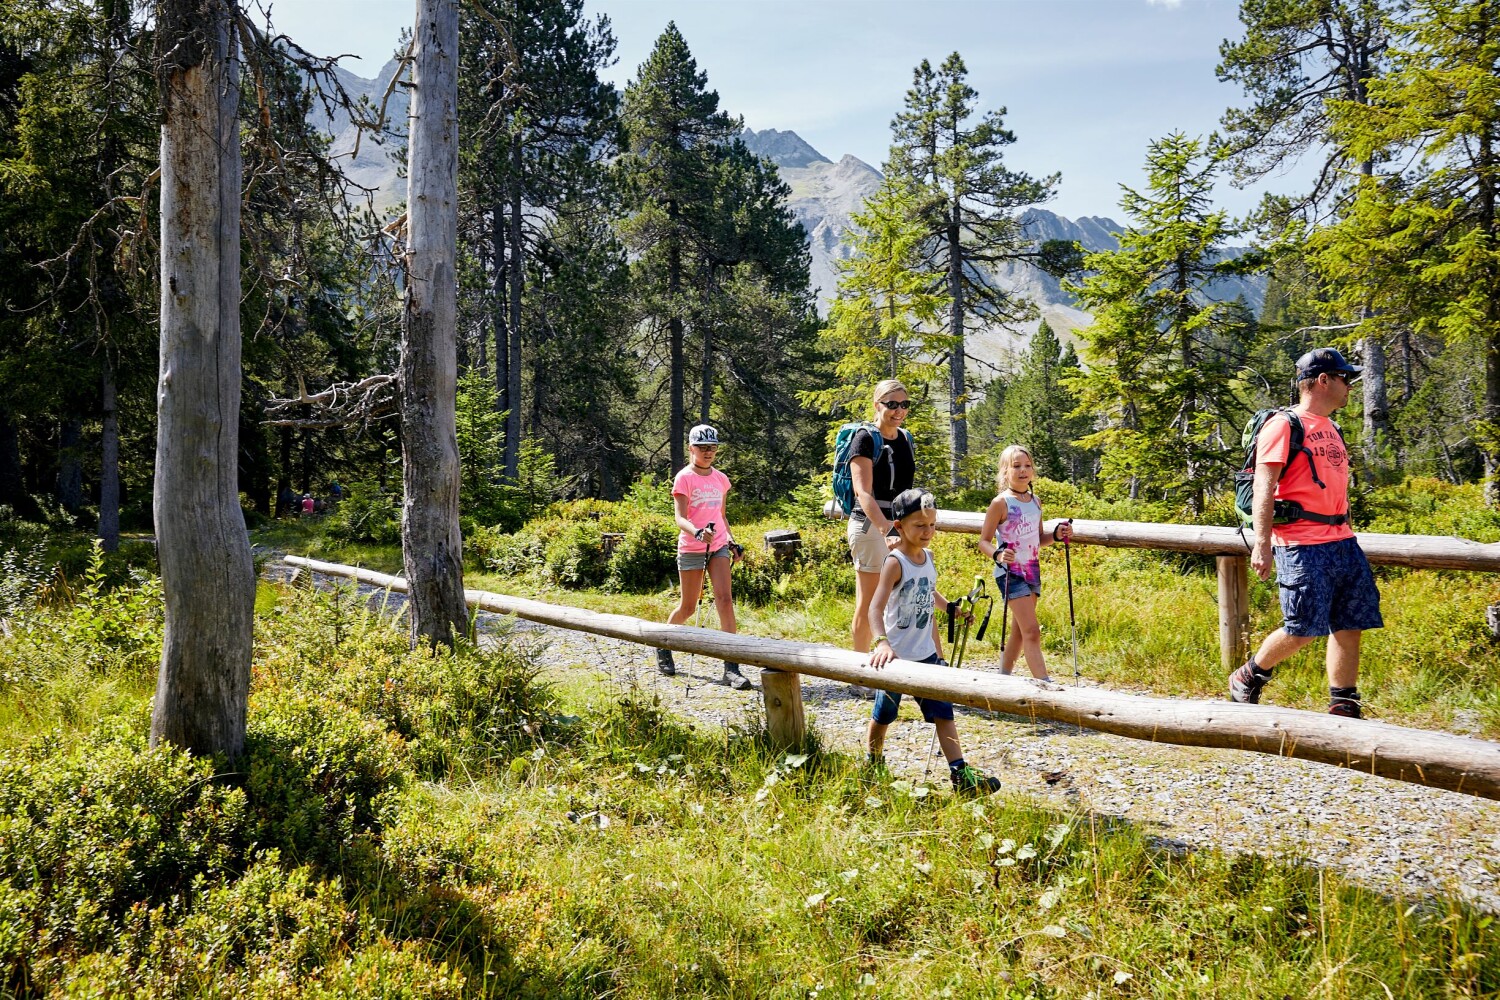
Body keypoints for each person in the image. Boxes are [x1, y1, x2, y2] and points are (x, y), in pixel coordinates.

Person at [1229, 347, 1382, 718]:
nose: (1350, 386)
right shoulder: (1283, 425)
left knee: (1351, 621)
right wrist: (1262, 545)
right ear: (1323, 380)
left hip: (1342, 540)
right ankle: (1250, 675)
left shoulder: (1332, 426)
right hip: (1300, 544)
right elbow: (1265, 484)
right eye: (1344, 378)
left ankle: (1343, 702)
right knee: (1303, 627)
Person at [867, 488, 1002, 795]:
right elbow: (875, 608)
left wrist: (951, 609)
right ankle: (873, 762)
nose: (927, 531)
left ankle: (959, 773)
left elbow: (928, 590)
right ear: (899, 526)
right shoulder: (895, 561)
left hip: (926, 653)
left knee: (943, 711)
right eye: (919, 525)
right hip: (896, 658)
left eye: (932, 524)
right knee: (884, 713)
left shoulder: (927, 556)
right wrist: (881, 643)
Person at [657, 424, 751, 690]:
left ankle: (731, 667)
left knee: (725, 600)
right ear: (692, 448)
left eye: (712, 447)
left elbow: (721, 515)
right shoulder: (684, 477)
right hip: (692, 546)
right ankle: (662, 645)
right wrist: (697, 532)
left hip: (718, 545)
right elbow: (679, 518)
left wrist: (731, 541)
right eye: (703, 447)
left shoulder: (720, 479)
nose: (708, 452)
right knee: (688, 606)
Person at [977, 445, 1073, 680]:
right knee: (1031, 630)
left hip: (1031, 570)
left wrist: (1058, 535)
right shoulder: (1000, 503)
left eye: (1027, 465)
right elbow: (983, 542)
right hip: (1010, 573)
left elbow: (1039, 540)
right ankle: (1045, 684)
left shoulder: (1035, 502)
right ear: (1005, 471)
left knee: (1020, 631)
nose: (1023, 470)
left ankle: (1003, 678)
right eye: (1016, 466)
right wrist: (998, 554)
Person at [848, 379, 917, 660]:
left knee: (901, 598)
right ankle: (859, 672)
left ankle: (895, 663)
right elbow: (863, 492)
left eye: (904, 405)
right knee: (868, 601)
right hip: (870, 526)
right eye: (891, 405)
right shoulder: (865, 438)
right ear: (877, 405)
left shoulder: (905, 438)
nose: (898, 410)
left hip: (899, 527)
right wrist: (886, 529)